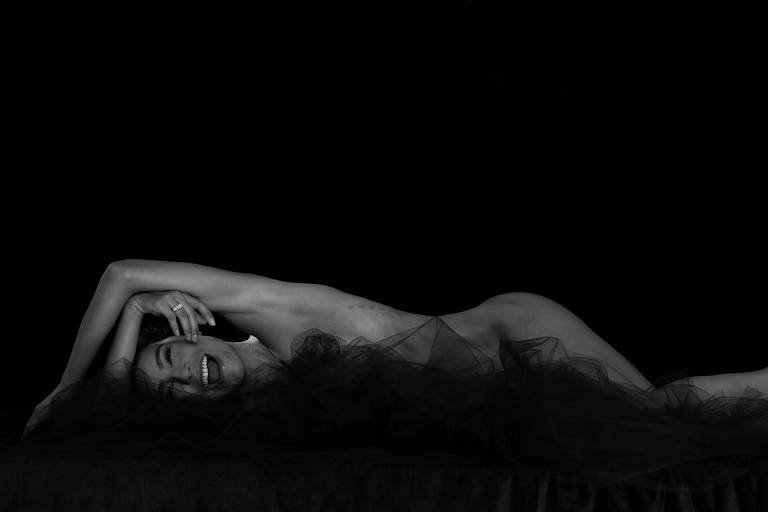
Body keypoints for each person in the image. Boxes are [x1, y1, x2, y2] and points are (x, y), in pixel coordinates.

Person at [24, 258, 766, 432]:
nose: (185, 376)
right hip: (507, 386)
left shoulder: (272, 311)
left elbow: (121, 272)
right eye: (173, 391)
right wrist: (135, 327)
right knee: (665, 414)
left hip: (515, 332)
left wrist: (63, 384)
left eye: (170, 358)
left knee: (655, 414)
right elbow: (117, 406)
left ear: (197, 330)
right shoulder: (272, 402)